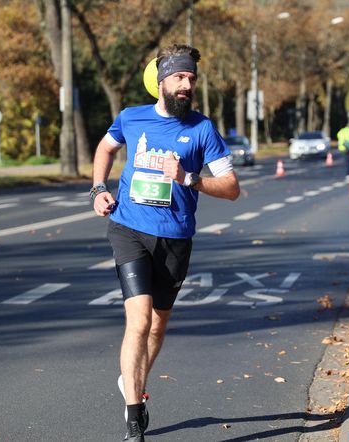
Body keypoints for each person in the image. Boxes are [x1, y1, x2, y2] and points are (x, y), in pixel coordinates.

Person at [90, 44, 240, 442]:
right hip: (129, 229)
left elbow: (232, 189)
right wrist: (97, 190)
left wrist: (188, 178)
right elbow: (106, 147)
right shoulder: (131, 118)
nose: (187, 85)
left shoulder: (202, 129)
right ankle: (134, 417)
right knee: (138, 322)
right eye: (179, 78)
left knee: (157, 328)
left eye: (191, 78)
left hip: (175, 237)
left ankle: (132, 381)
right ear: (161, 82)